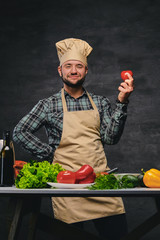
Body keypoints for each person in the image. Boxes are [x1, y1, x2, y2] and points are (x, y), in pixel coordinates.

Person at [13, 38, 134, 240]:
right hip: (67, 187)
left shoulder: (100, 102)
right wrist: (49, 153)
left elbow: (110, 138)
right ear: (60, 71)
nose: (74, 70)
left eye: (79, 66)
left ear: (86, 71)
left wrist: (122, 103)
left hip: (100, 184)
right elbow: (20, 131)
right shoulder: (48, 105)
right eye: (68, 66)